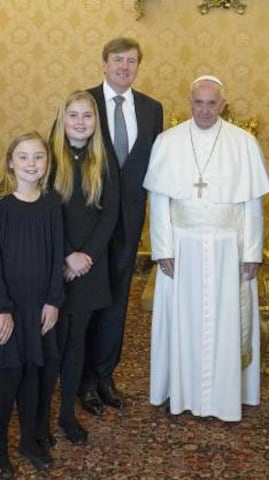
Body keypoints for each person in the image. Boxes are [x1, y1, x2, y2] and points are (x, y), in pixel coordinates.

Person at [143, 75, 269, 422]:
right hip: (181, 246)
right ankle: (181, 391)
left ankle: (224, 395)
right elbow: (158, 201)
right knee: (182, 320)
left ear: (222, 105)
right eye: (198, 103)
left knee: (226, 321)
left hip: (229, 247)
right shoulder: (168, 141)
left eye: (211, 103)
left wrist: (251, 254)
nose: (204, 110)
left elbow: (251, 205)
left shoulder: (243, 143)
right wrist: (162, 249)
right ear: (189, 102)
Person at [79, 37, 163, 415]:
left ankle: (105, 376)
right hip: (89, 222)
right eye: (117, 60)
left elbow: (154, 166)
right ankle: (82, 382)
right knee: (86, 303)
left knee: (116, 303)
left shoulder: (151, 109)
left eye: (131, 61)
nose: (124, 67)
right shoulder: (84, 104)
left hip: (129, 222)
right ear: (103, 63)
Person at [49, 90, 119, 444]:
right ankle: (40, 417)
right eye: (73, 115)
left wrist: (85, 256)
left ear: (96, 123)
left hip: (90, 269)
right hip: (54, 267)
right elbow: (45, 214)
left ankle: (66, 416)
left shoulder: (103, 160)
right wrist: (66, 255)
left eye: (87, 116)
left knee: (76, 344)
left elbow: (110, 214)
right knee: (52, 346)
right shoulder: (48, 158)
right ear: (64, 120)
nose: (80, 122)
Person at [0, 132, 64, 480]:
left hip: (40, 309)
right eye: (23, 157)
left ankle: (28, 440)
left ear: (46, 164)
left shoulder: (52, 205)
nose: (30, 164)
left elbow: (57, 256)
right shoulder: (2, 208)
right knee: (8, 377)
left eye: (38, 157)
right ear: (11, 162)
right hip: (9, 310)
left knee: (34, 377)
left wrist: (54, 300)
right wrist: (2, 308)